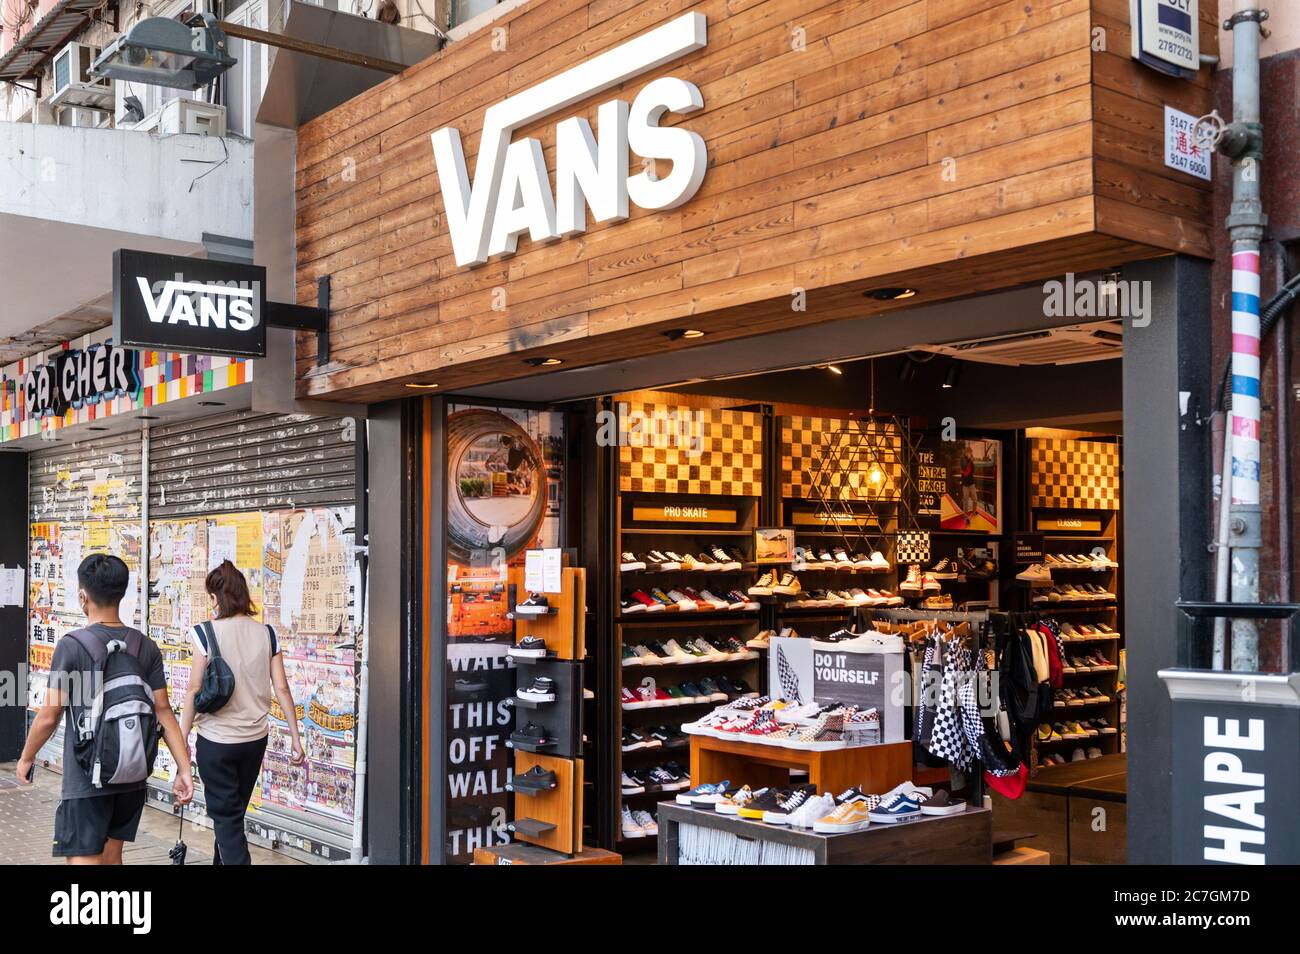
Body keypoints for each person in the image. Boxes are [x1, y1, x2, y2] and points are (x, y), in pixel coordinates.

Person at [15, 553, 194, 864]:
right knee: (113, 858)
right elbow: (163, 711)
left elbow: (49, 715)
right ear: (122, 594)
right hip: (132, 774)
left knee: (84, 863)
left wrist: (27, 758)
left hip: (87, 778)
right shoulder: (144, 647)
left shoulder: (73, 646)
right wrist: (184, 769)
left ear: (83, 597)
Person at [180, 560, 304, 864]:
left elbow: (193, 690)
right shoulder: (267, 633)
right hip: (254, 742)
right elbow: (283, 690)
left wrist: (180, 737)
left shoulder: (204, 634)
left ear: (217, 597)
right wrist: (296, 738)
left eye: (211, 596)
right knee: (231, 817)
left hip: (216, 742)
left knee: (227, 820)